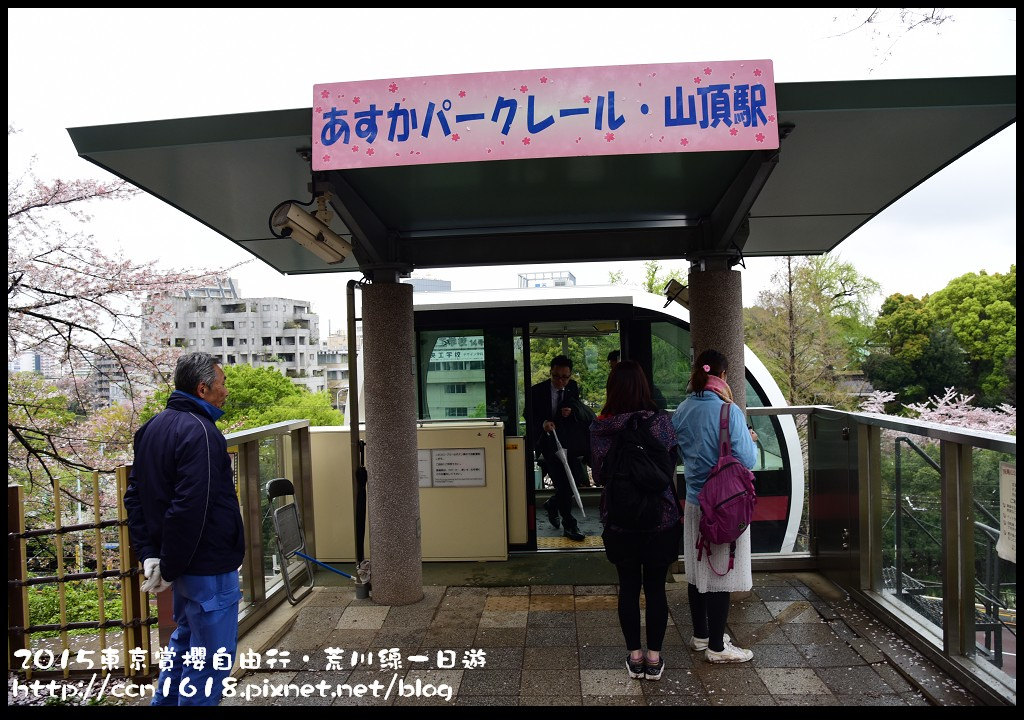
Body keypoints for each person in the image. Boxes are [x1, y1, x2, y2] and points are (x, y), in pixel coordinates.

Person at [123, 352, 245, 705]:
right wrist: (170, 564)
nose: (225, 391)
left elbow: (135, 496)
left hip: (180, 563)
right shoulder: (202, 433)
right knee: (211, 661)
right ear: (203, 388)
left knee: (185, 645)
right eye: (221, 384)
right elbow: (192, 508)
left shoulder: (151, 428)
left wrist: (152, 555)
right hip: (206, 563)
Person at [590, 360, 681, 681]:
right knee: (656, 589)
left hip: (620, 520)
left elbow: (600, 475)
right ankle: (654, 659)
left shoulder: (603, 428)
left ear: (611, 390)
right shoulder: (662, 424)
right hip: (661, 519)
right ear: (644, 387)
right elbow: (669, 466)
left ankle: (635, 656)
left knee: (628, 589)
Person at [671, 349, 759, 663]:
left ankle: (700, 636)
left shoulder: (681, 410)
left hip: (695, 503)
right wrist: (752, 440)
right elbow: (747, 461)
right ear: (722, 376)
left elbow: (680, 453)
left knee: (698, 573)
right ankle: (718, 648)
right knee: (722, 575)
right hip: (724, 505)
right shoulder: (728, 411)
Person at [528, 355, 587, 541]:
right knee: (562, 483)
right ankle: (569, 524)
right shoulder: (537, 391)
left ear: (570, 376)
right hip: (549, 444)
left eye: (565, 377)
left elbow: (577, 408)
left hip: (569, 442)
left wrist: (571, 411)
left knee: (576, 479)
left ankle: (552, 504)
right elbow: (528, 416)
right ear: (550, 373)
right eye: (556, 376)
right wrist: (543, 423)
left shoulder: (573, 387)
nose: (561, 381)